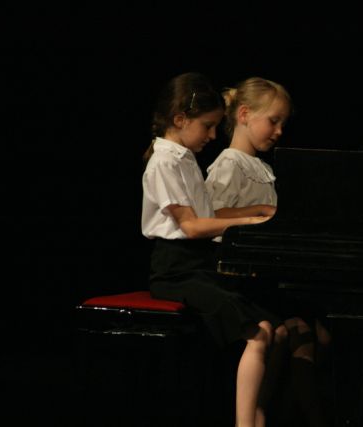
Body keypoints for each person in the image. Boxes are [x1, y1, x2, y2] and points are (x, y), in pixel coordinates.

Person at [141, 72, 287, 427]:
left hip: (199, 264)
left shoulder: (184, 157)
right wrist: (250, 222)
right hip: (175, 270)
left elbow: (210, 214)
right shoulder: (163, 161)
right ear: (180, 119)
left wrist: (258, 210)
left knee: (276, 329)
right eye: (207, 126)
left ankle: (257, 416)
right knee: (258, 333)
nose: (211, 135)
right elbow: (191, 226)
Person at [205, 76, 332, 426]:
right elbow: (212, 215)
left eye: (283, 123)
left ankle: (275, 413)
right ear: (244, 114)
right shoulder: (229, 163)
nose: (279, 131)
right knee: (297, 333)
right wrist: (260, 213)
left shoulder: (264, 168)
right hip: (235, 276)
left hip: (263, 274)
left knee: (312, 335)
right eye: (273, 121)